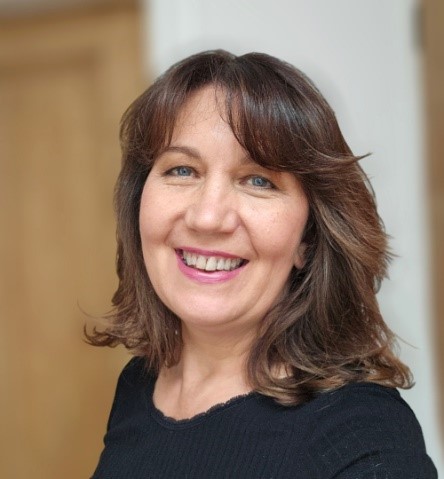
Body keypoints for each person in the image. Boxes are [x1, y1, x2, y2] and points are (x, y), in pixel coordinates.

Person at [88, 50, 437, 478]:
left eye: (259, 181)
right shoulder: (141, 384)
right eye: (182, 170)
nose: (208, 217)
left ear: (308, 239)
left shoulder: (364, 439)